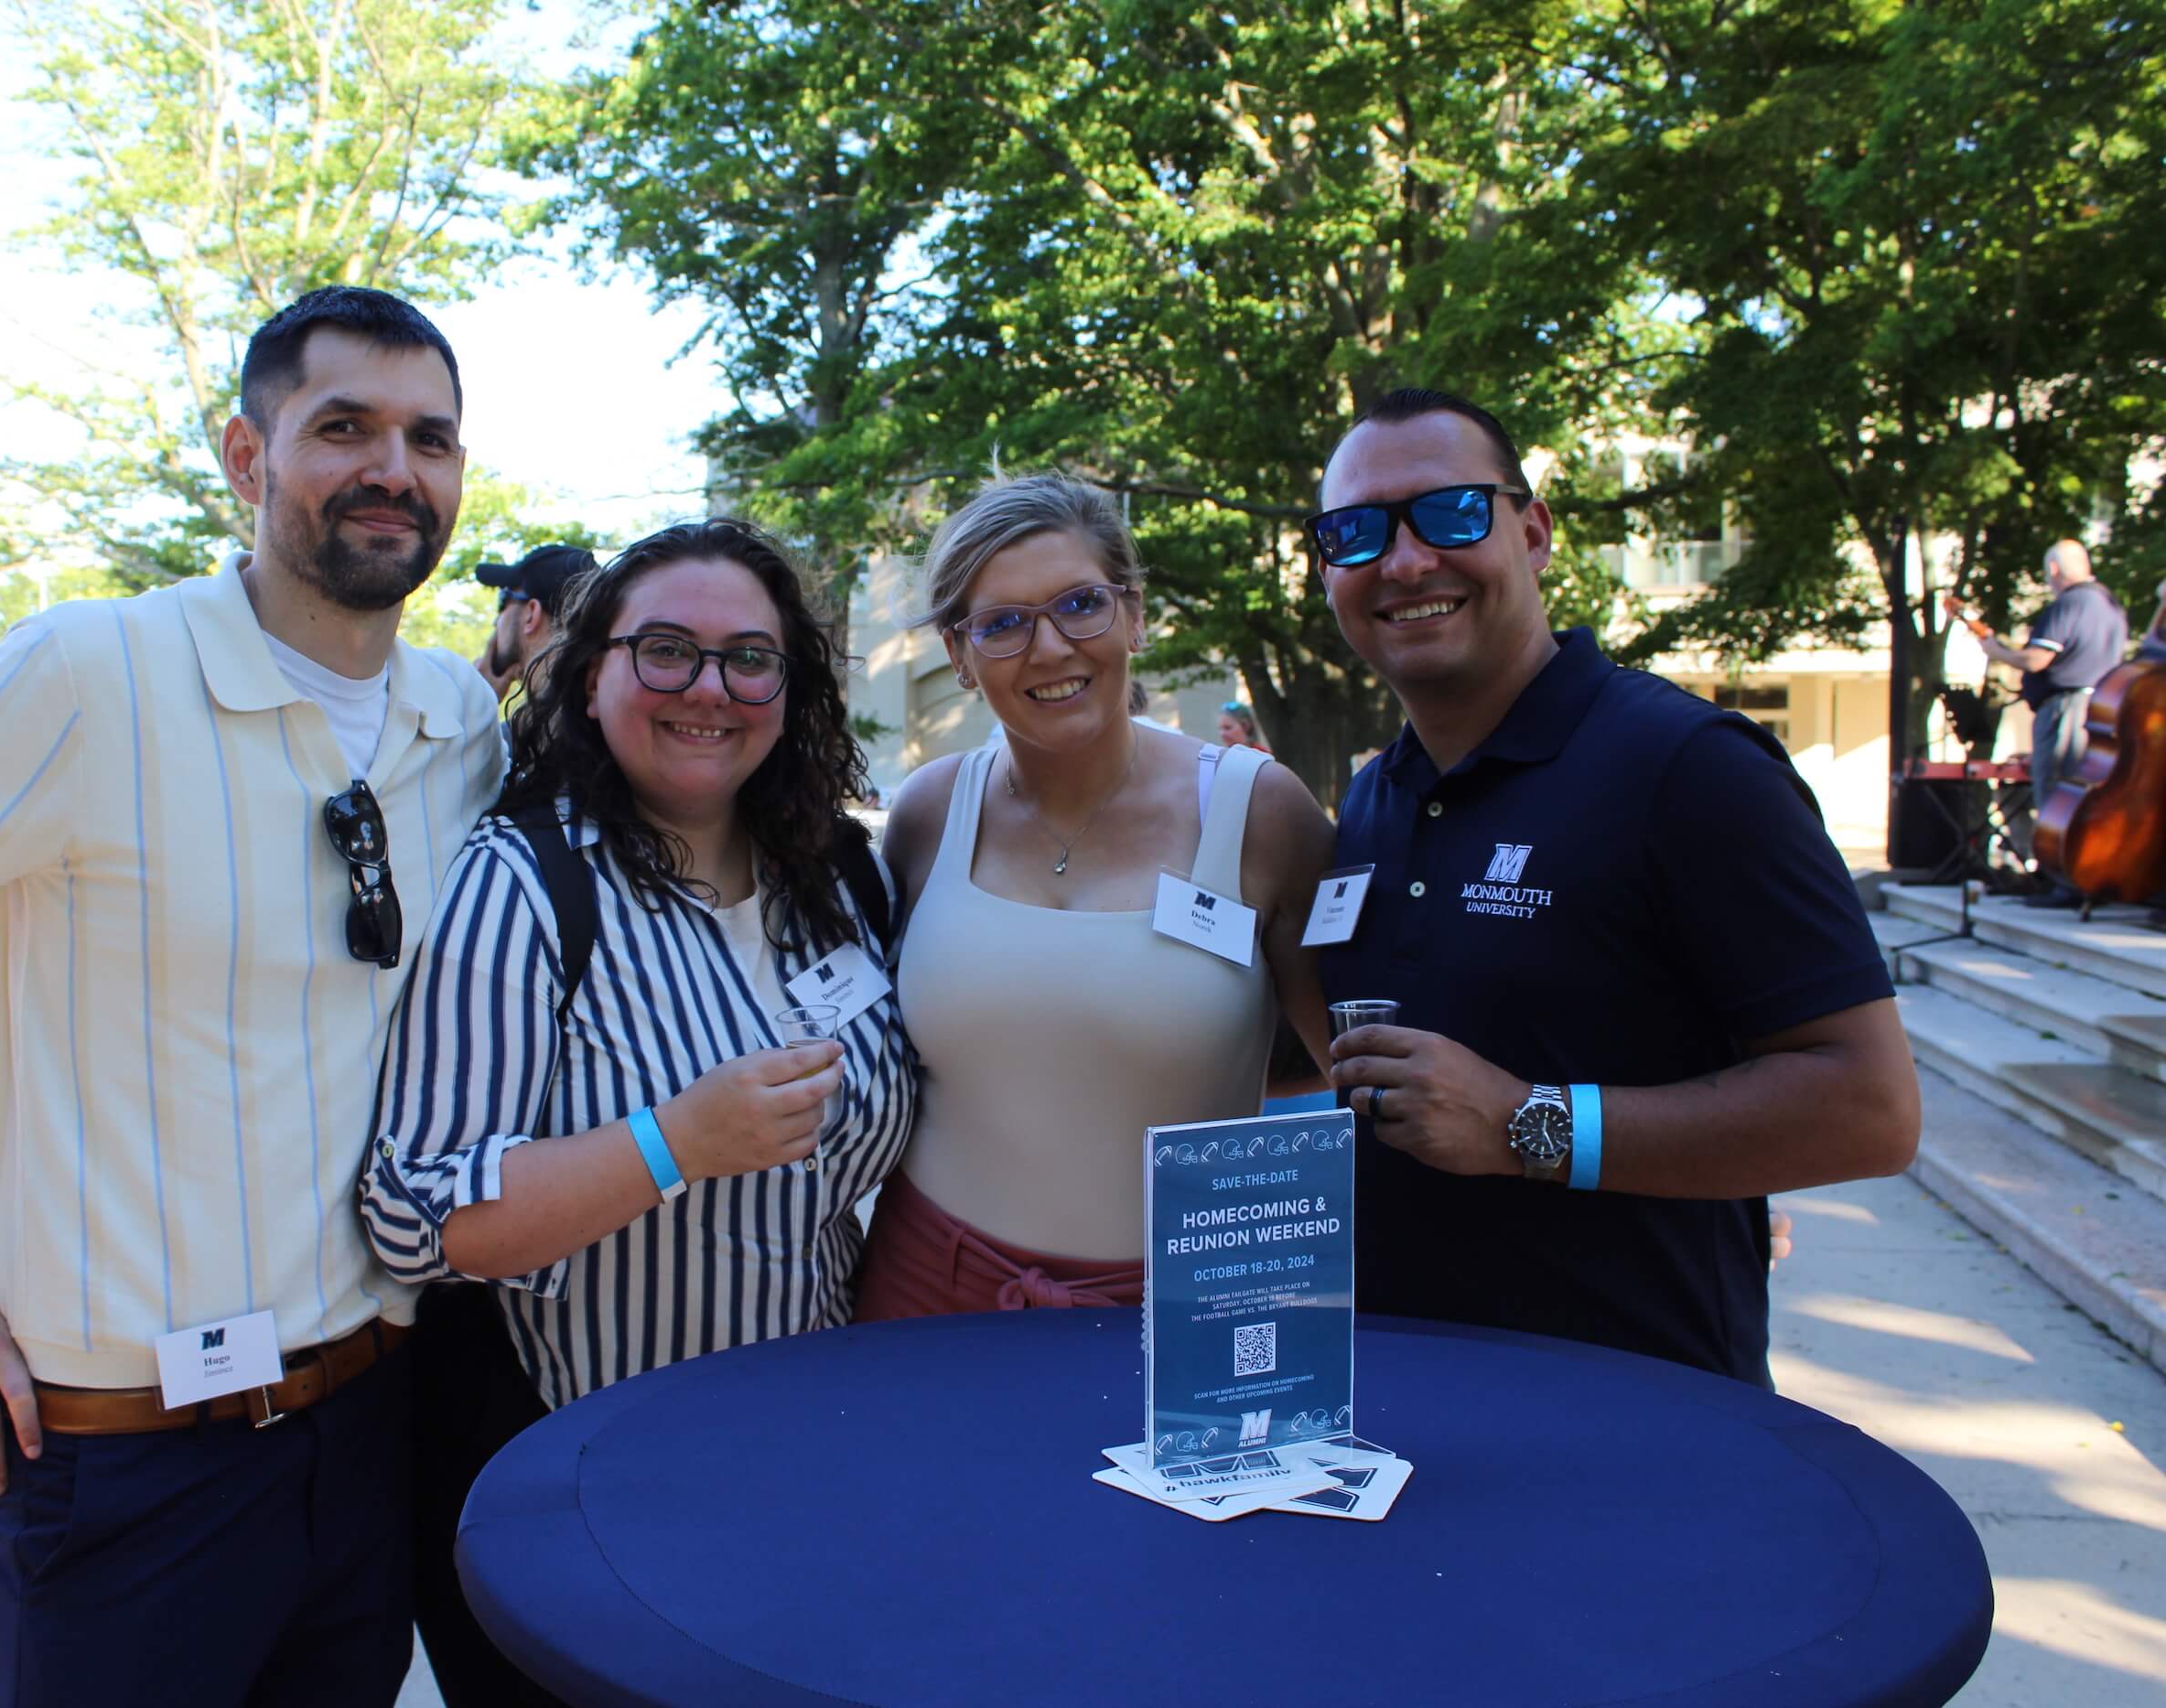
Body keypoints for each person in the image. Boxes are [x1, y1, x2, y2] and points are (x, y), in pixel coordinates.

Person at [0, 285, 505, 1707]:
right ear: (246, 454)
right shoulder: (87, 673)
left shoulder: (456, 722)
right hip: (124, 1456)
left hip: (365, 1428)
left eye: (430, 437)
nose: (393, 469)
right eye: (342, 427)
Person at [362, 519, 917, 1680]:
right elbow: (419, 1214)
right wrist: (672, 1143)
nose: (708, 689)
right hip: (584, 1485)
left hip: (801, 1463)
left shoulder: (839, 876)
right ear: (593, 668)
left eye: (747, 658)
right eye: (665, 650)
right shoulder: (522, 884)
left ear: (789, 683)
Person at [1310, 387, 1920, 1386]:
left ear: (1534, 532)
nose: (1407, 559)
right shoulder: (1376, 798)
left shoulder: (1688, 767)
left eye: (1453, 512)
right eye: (1357, 532)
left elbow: (1869, 1107)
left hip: (1641, 1416)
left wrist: (1525, 1124)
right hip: (1402, 1411)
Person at [856, 473, 1336, 1320]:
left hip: (1192, 1316)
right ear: (961, 657)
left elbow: (1360, 1070)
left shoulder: (1257, 811)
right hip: (927, 1290)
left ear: (1135, 614)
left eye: (1081, 603)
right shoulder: (930, 814)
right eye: (1001, 624)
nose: (1049, 648)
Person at [1946, 542, 2129, 907]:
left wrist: (1999, 653)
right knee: (2086, 797)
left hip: (2068, 709)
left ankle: (2063, 882)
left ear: (2055, 569)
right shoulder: (2110, 605)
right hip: (2104, 711)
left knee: (2058, 797)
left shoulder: (2071, 603)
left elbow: (2037, 659)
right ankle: (2089, 878)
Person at [475, 542, 597, 697]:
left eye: (503, 601)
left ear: (532, 614)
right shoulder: (605, 710)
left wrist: (477, 705)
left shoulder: (544, 720)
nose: (496, 621)